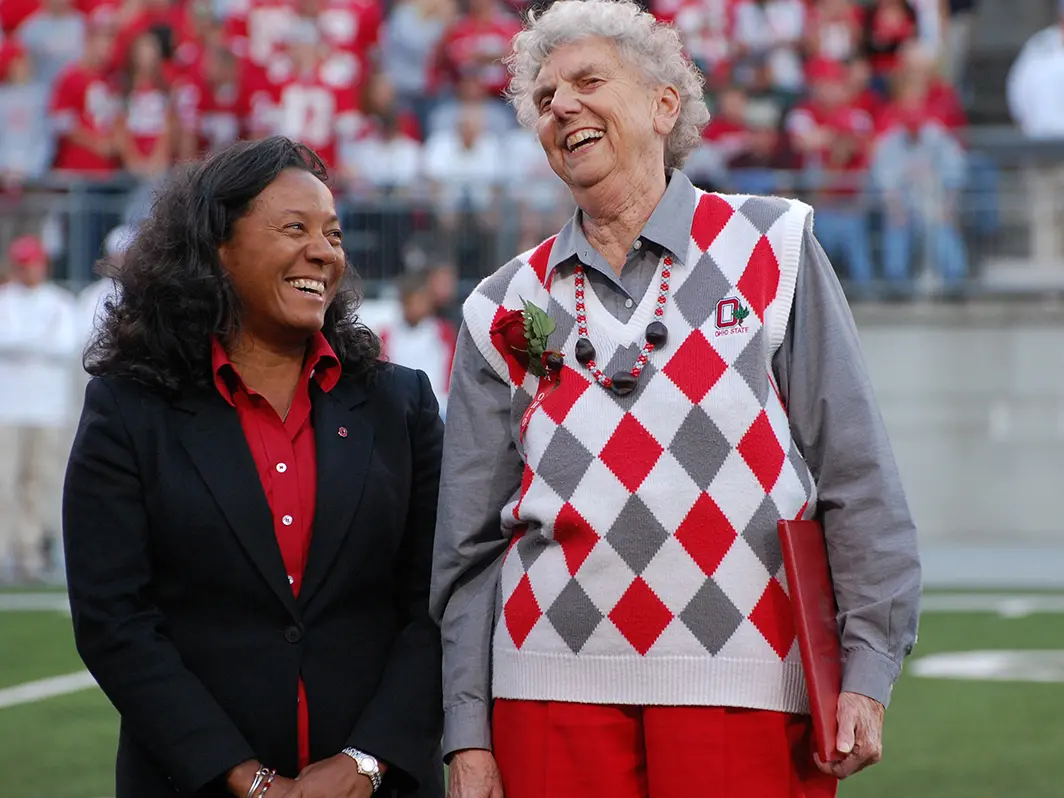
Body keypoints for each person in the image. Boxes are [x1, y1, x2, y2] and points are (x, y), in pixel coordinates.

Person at [429, 2, 922, 798]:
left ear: (665, 105)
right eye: (545, 97)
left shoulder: (775, 245)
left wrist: (866, 663)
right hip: (546, 692)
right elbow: (468, 546)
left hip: (748, 685)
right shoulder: (501, 305)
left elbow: (856, 471)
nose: (562, 106)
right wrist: (466, 732)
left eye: (589, 81)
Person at [63, 136, 445, 798]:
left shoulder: (400, 402)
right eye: (294, 228)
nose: (324, 252)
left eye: (332, 233)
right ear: (218, 247)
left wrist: (364, 762)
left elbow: (439, 604)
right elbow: (113, 620)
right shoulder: (128, 410)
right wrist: (249, 780)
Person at [0, 235, 79, 583]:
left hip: (47, 408)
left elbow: (65, 346)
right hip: (9, 408)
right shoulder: (5, 301)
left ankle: (30, 553)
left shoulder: (59, 303)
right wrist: (36, 340)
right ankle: (5, 551)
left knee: (40, 481)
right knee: (5, 482)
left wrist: (24, 343)